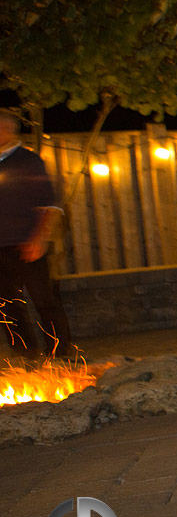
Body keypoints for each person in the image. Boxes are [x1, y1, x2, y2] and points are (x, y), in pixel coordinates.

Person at [0, 111, 72, 357]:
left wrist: (39, 238)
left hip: (28, 243)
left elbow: (49, 204)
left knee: (44, 300)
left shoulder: (29, 161)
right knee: (7, 304)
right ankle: (25, 353)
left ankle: (60, 350)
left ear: (10, 130)